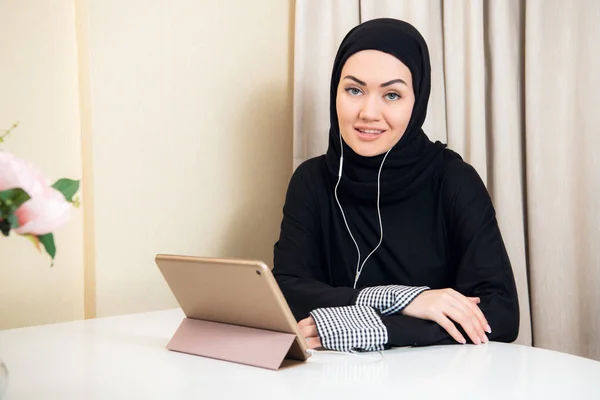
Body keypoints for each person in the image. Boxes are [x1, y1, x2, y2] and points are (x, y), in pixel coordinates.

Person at [272, 18, 520, 352]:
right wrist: (407, 300)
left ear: (417, 102)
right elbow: (287, 289)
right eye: (354, 90)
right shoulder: (312, 180)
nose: (369, 113)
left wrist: (380, 328)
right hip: (331, 377)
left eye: (392, 94)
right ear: (336, 92)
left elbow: (500, 313)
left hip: (438, 379)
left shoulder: (453, 181)